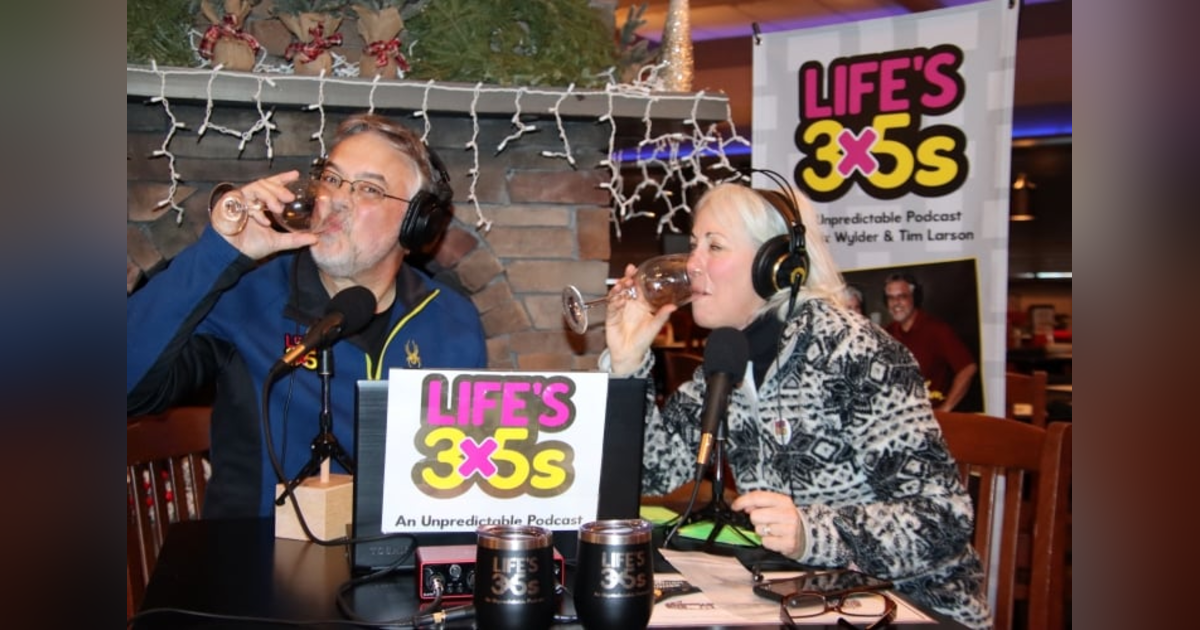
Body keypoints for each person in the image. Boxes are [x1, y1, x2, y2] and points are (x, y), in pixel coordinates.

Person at [599, 182, 991, 629]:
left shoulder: (855, 351)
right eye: (693, 246)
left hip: (915, 606)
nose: (692, 265)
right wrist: (627, 369)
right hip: (804, 600)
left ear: (776, 267)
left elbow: (942, 519)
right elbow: (656, 471)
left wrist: (812, 532)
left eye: (715, 246)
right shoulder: (728, 355)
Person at [127, 113, 487, 519]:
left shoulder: (452, 320)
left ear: (416, 225)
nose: (335, 199)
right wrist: (218, 253)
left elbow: (465, 483)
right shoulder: (246, 296)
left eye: (369, 189)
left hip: (397, 567)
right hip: (257, 564)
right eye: (331, 179)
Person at [883, 273, 978, 412]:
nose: (895, 303)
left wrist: (946, 408)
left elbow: (968, 368)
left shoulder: (937, 330)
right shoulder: (886, 333)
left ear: (914, 298)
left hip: (932, 419)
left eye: (902, 297)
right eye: (891, 298)